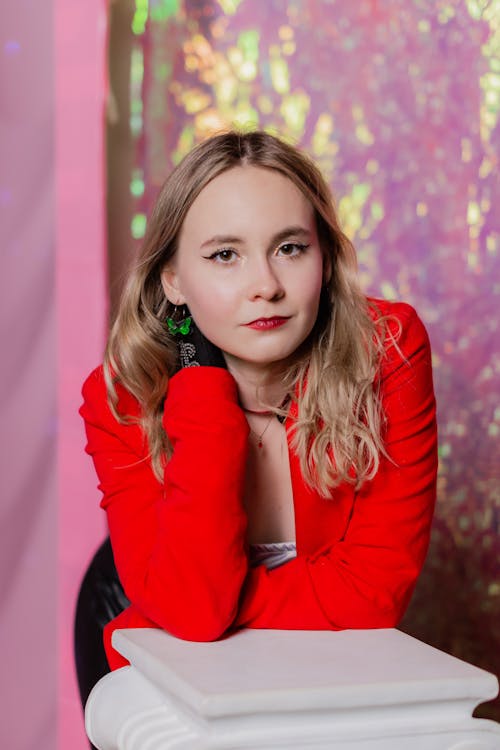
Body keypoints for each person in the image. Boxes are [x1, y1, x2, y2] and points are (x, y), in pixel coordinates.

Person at [75, 129, 438, 707]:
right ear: (173, 279)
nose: (265, 286)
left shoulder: (387, 352)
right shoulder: (123, 398)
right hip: (179, 679)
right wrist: (203, 390)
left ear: (323, 256)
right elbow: (195, 615)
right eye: (225, 255)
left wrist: (225, 600)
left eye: (290, 248)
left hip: (331, 679)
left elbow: (375, 596)